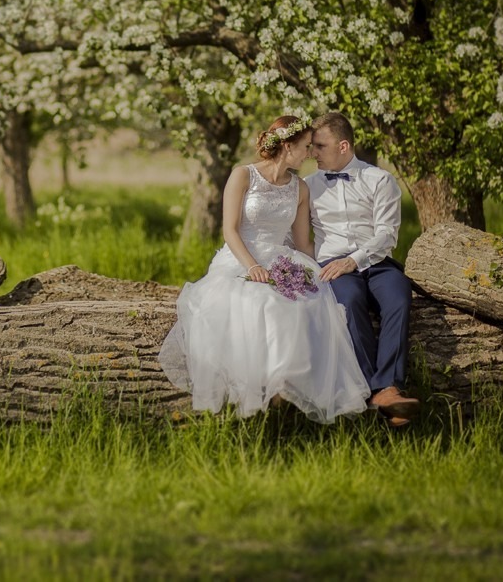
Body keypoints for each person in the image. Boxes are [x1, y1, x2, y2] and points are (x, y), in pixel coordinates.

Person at [158, 116, 370, 423]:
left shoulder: (299, 188)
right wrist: (253, 266)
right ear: (287, 146)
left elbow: (302, 243)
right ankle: (261, 389)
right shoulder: (243, 175)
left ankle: (285, 388)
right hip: (240, 258)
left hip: (282, 259)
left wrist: (334, 265)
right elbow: (229, 230)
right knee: (260, 304)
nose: (310, 153)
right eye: (306, 146)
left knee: (309, 303)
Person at [305, 112, 421, 428]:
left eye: (320, 146)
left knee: (398, 297)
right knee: (349, 301)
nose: (313, 153)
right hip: (333, 266)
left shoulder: (380, 180)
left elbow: (387, 234)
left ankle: (388, 387)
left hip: (377, 262)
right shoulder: (307, 187)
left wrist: (355, 260)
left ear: (344, 146)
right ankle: (379, 390)